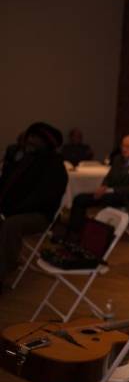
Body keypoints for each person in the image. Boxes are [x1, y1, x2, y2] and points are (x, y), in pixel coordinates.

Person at [0, 122, 68, 289]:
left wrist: (10, 211)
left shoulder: (54, 166)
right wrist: (9, 163)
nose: (29, 140)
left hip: (39, 215)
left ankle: (2, 273)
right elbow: (6, 184)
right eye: (29, 136)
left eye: (35, 138)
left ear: (46, 143)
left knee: (11, 225)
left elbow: (41, 199)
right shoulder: (26, 160)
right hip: (14, 209)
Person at [66, 134, 129, 240]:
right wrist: (104, 186)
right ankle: (75, 233)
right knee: (79, 198)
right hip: (111, 193)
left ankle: (79, 235)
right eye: (123, 145)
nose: (124, 149)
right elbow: (109, 177)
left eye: (128, 147)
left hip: (126, 197)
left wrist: (108, 190)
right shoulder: (118, 159)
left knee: (85, 200)